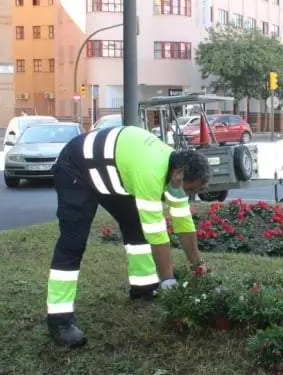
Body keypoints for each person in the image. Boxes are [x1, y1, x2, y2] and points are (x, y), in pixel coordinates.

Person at [45, 124, 210, 348]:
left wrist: (199, 266)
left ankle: (144, 286)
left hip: (112, 172)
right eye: (190, 189)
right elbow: (157, 233)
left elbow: (183, 223)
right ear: (178, 174)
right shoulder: (150, 172)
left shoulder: (176, 175)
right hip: (76, 168)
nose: (188, 195)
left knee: (136, 227)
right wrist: (169, 280)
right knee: (72, 242)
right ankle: (59, 320)